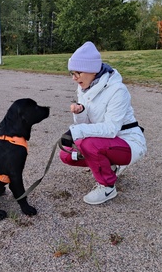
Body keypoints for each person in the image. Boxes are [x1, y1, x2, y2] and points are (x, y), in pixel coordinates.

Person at [59, 41, 147, 205]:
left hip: (128, 143)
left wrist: (75, 132)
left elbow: (111, 129)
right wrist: (80, 113)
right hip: (106, 142)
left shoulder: (117, 90)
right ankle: (110, 166)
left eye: (77, 72)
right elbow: (86, 124)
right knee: (66, 154)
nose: (74, 77)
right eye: (72, 73)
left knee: (89, 144)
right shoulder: (84, 88)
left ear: (92, 70)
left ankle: (107, 186)